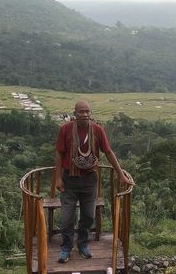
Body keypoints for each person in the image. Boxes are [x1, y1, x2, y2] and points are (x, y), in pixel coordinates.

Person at [55, 100, 133, 263]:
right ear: (75, 114)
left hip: (90, 180)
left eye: (87, 111)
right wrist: (58, 178)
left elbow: (108, 152)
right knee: (67, 218)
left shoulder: (97, 130)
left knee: (88, 216)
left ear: (90, 113)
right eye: (81, 111)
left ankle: (83, 244)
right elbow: (59, 154)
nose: (84, 114)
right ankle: (66, 247)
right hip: (69, 179)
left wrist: (120, 173)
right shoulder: (65, 129)